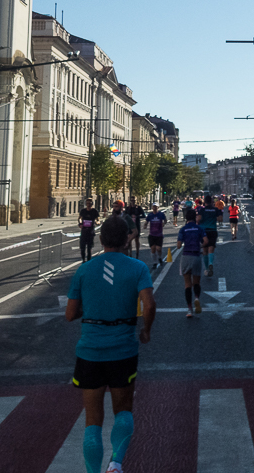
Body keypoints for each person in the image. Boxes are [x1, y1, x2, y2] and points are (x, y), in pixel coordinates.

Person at [65, 214, 155, 473]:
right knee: (124, 410)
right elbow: (149, 305)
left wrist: (91, 309)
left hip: (90, 350)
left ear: (101, 239)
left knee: (92, 420)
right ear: (128, 238)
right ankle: (116, 463)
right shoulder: (137, 268)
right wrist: (146, 330)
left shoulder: (84, 269)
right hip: (123, 349)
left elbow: (70, 314)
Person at [177, 207, 204, 317]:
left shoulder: (183, 229)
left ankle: (189, 309)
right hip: (196, 255)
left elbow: (179, 246)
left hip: (186, 256)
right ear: (195, 217)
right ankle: (197, 298)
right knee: (196, 282)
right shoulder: (199, 229)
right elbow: (206, 241)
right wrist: (200, 246)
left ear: (186, 218)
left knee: (187, 284)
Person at [197, 192, 221, 276]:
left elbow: (198, 219)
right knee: (211, 248)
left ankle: (207, 269)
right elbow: (220, 219)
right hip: (213, 230)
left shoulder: (202, 210)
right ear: (211, 201)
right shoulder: (215, 209)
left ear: (204, 202)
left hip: (204, 231)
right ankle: (211, 263)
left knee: (205, 250)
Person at [145, 203, 167, 268]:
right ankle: (154, 262)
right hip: (152, 234)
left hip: (159, 234)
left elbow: (165, 220)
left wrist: (164, 223)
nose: (154, 208)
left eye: (156, 207)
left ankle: (160, 258)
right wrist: (145, 224)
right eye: (154, 207)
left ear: (158, 207)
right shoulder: (150, 215)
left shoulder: (160, 214)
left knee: (158, 248)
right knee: (153, 249)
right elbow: (147, 221)